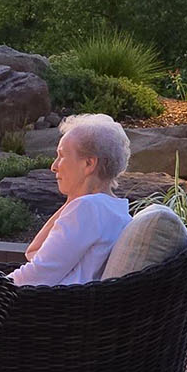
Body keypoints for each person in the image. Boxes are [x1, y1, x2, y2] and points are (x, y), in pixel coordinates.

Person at [9, 114, 132, 286]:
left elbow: (33, 277)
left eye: (61, 155)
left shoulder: (87, 209)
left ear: (89, 164)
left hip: (49, 307)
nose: (54, 166)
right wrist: (73, 197)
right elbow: (34, 252)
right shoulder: (116, 210)